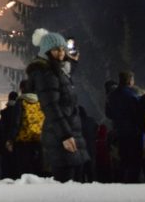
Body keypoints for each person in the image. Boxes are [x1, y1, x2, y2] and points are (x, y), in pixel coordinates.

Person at [26, 28, 88, 182]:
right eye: (55, 50)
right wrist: (65, 135)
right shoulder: (46, 74)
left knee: (75, 184)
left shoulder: (57, 72)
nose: (61, 53)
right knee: (67, 185)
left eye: (63, 49)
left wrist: (72, 61)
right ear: (46, 51)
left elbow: (64, 81)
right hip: (60, 135)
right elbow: (52, 107)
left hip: (69, 131)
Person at [105, 71, 143, 182]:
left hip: (120, 131)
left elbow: (108, 113)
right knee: (135, 161)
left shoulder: (111, 96)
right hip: (134, 132)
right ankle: (134, 184)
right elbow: (139, 113)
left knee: (123, 160)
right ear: (130, 80)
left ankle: (122, 184)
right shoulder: (134, 95)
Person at [6, 79, 44, 178]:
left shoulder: (20, 102)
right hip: (38, 139)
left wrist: (10, 139)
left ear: (22, 89)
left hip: (23, 141)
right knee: (37, 169)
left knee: (24, 170)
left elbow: (16, 122)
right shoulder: (39, 102)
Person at [0, 90, 19, 179]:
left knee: (6, 162)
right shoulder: (19, 111)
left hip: (4, 139)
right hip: (17, 139)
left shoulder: (4, 112)